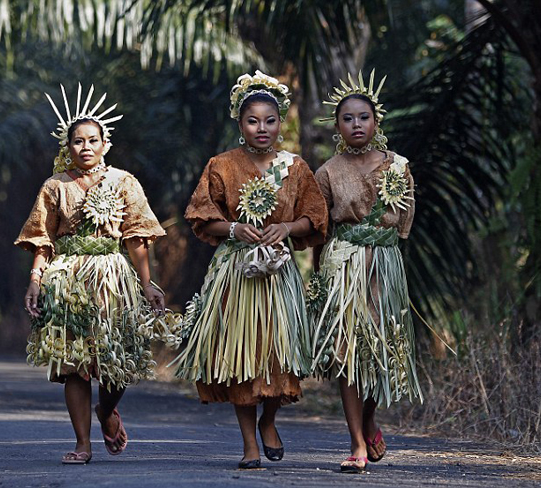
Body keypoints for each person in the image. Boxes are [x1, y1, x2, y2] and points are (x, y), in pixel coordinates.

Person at [15, 83, 178, 465]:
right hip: (66, 280)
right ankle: (82, 443)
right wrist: (36, 281)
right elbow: (43, 239)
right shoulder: (54, 186)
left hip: (113, 280)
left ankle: (106, 412)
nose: (85, 147)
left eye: (92, 140)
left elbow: (137, 238)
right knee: (74, 365)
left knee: (115, 360)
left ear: (105, 144)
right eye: (77, 141)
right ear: (67, 147)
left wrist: (147, 284)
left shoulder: (124, 182)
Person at [175, 70, 328, 469]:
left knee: (279, 353)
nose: (262, 128)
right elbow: (201, 218)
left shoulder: (294, 167)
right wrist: (233, 228)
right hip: (236, 272)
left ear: (281, 123)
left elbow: (315, 217)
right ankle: (249, 445)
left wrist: (287, 227)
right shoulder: (222, 165)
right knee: (241, 356)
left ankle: (270, 421)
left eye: (270, 120)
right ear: (240, 123)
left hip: (279, 273)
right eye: (253, 120)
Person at [309, 70, 423, 473]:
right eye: (348, 118)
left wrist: (385, 244)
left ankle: (370, 417)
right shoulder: (327, 172)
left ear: (377, 122)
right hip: (343, 265)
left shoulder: (398, 166)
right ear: (337, 126)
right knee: (348, 352)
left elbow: (404, 221)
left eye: (363, 117)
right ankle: (356, 441)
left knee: (380, 349)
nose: (356, 124)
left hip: (385, 268)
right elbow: (321, 228)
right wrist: (320, 278)